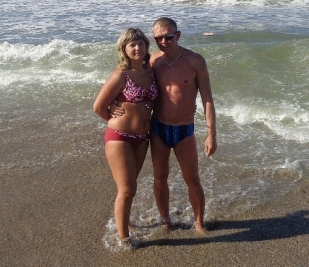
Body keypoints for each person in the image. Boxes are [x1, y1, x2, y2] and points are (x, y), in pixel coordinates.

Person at [148, 17, 217, 233]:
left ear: (177, 35)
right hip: (158, 128)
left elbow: (207, 99)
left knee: (192, 179)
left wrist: (211, 134)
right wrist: (115, 104)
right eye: (158, 38)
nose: (163, 42)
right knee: (160, 178)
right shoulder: (152, 61)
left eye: (168, 37)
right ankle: (165, 219)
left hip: (184, 131)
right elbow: (128, 79)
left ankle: (199, 221)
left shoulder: (195, 61)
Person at [93, 28, 158, 248]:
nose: (137, 48)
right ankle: (124, 239)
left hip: (142, 138)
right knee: (127, 188)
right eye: (132, 45)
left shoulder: (151, 72)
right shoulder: (120, 75)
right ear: (124, 49)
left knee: (130, 186)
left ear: (147, 46)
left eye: (141, 43)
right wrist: (113, 117)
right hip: (119, 137)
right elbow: (98, 106)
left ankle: (125, 222)